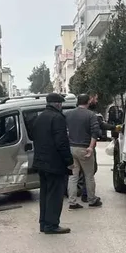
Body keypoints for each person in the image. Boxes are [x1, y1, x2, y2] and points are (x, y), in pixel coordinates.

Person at [31, 94, 74, 234]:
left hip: (41, 163)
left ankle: (44, 223)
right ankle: (52, 225)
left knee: (45, 194)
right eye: (61, 104)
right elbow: (62, 142)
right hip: (54, 164)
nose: (61, 106)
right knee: (55, 195)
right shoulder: (58, 118)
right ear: (58, 104)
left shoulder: (39, 117)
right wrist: (69, 161)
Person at [66, 94, 102, 209]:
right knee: (89, 175)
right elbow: (95, 132)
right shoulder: (91, 115)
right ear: (88, 102)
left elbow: (65, 131)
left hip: (71, 148)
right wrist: (91, 147)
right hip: (84, 148)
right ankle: (92, 200)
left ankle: (72, 202)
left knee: (73, 177)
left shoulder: (68, 114)